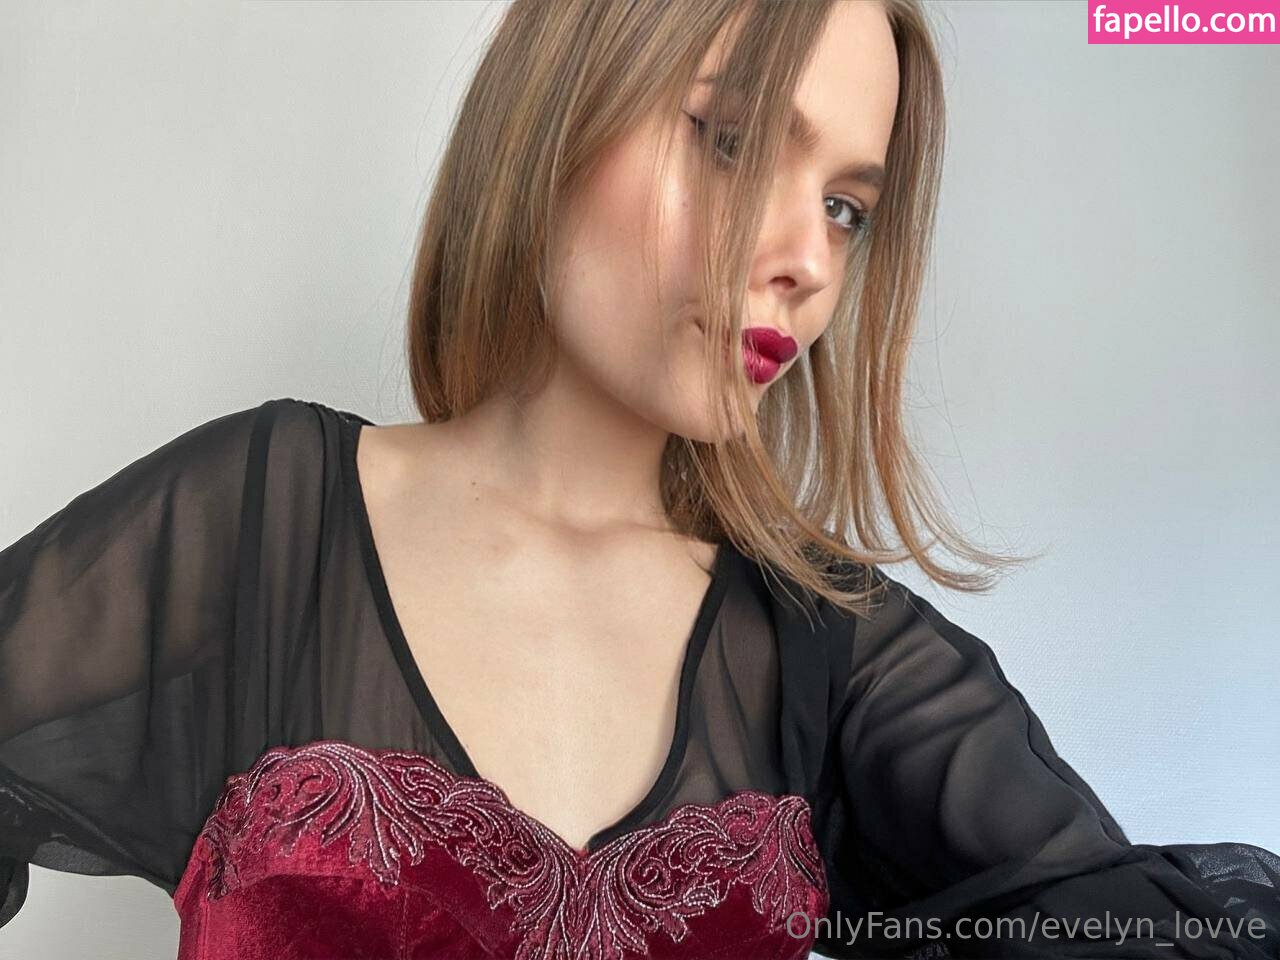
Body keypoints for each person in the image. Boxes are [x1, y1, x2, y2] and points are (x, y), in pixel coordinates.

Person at [2, 1, 1277, 958]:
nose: (807, 260)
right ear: (563, 111)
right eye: (734, 142)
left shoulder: (829, 651)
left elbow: (1124, 924)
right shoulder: (263, 522)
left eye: (846, 207)